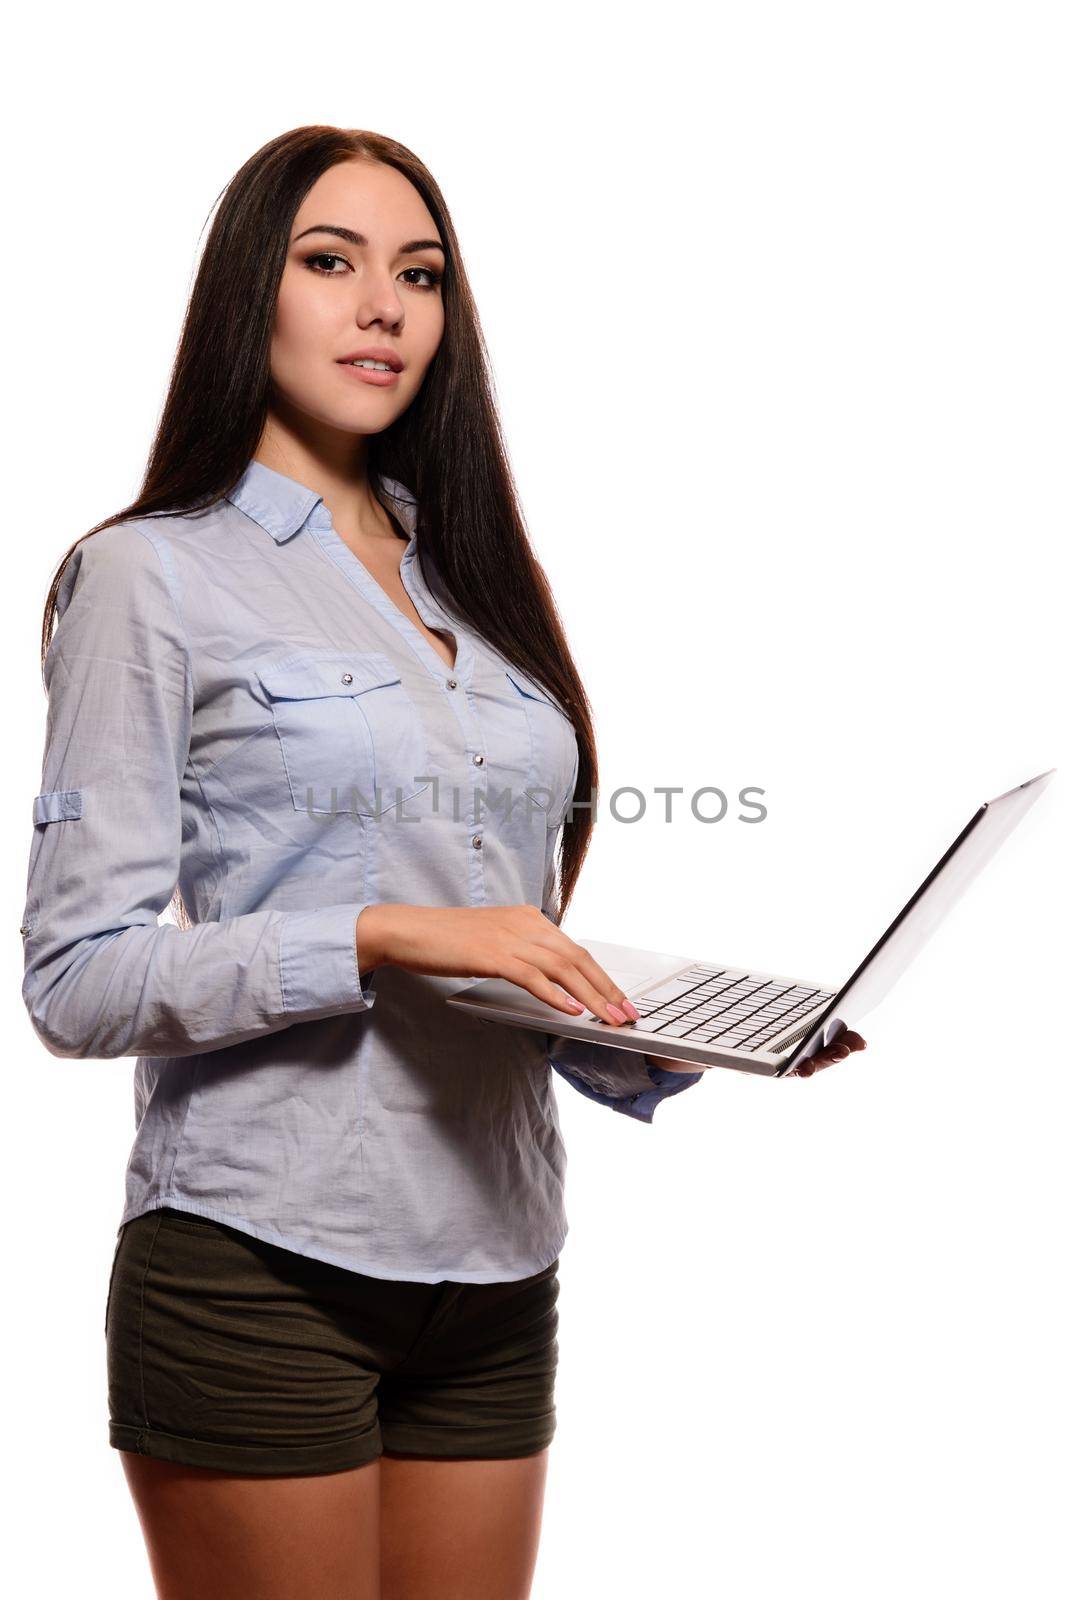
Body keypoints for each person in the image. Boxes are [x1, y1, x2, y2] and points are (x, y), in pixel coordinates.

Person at [20, 126, 866, 1600]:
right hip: (257, 1258)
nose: (383, 307)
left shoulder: (466, 572)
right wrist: (383, 933)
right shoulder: (151, 573)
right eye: (329, 263)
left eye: (419, 273)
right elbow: (75, 983)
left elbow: (487, 937)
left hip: (493, 1260)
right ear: (247, 295)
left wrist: (631, 1032)